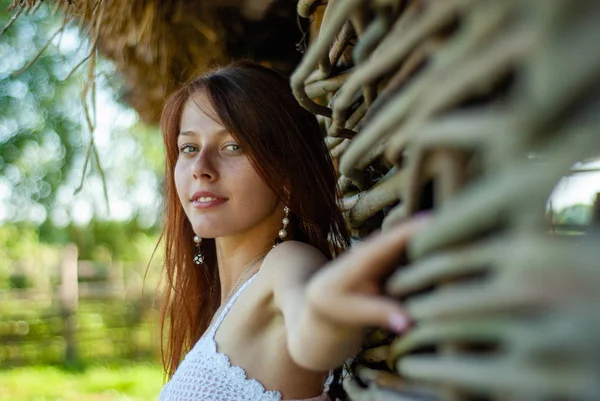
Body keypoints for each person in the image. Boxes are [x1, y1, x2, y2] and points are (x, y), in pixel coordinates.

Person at [157, 60, 428, 401]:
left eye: (233, 146)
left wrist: (325, 310)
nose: (201, 168)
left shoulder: (286, 262)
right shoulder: (224, 303)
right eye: (189, 148)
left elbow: (309, 328)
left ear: (286, 174)